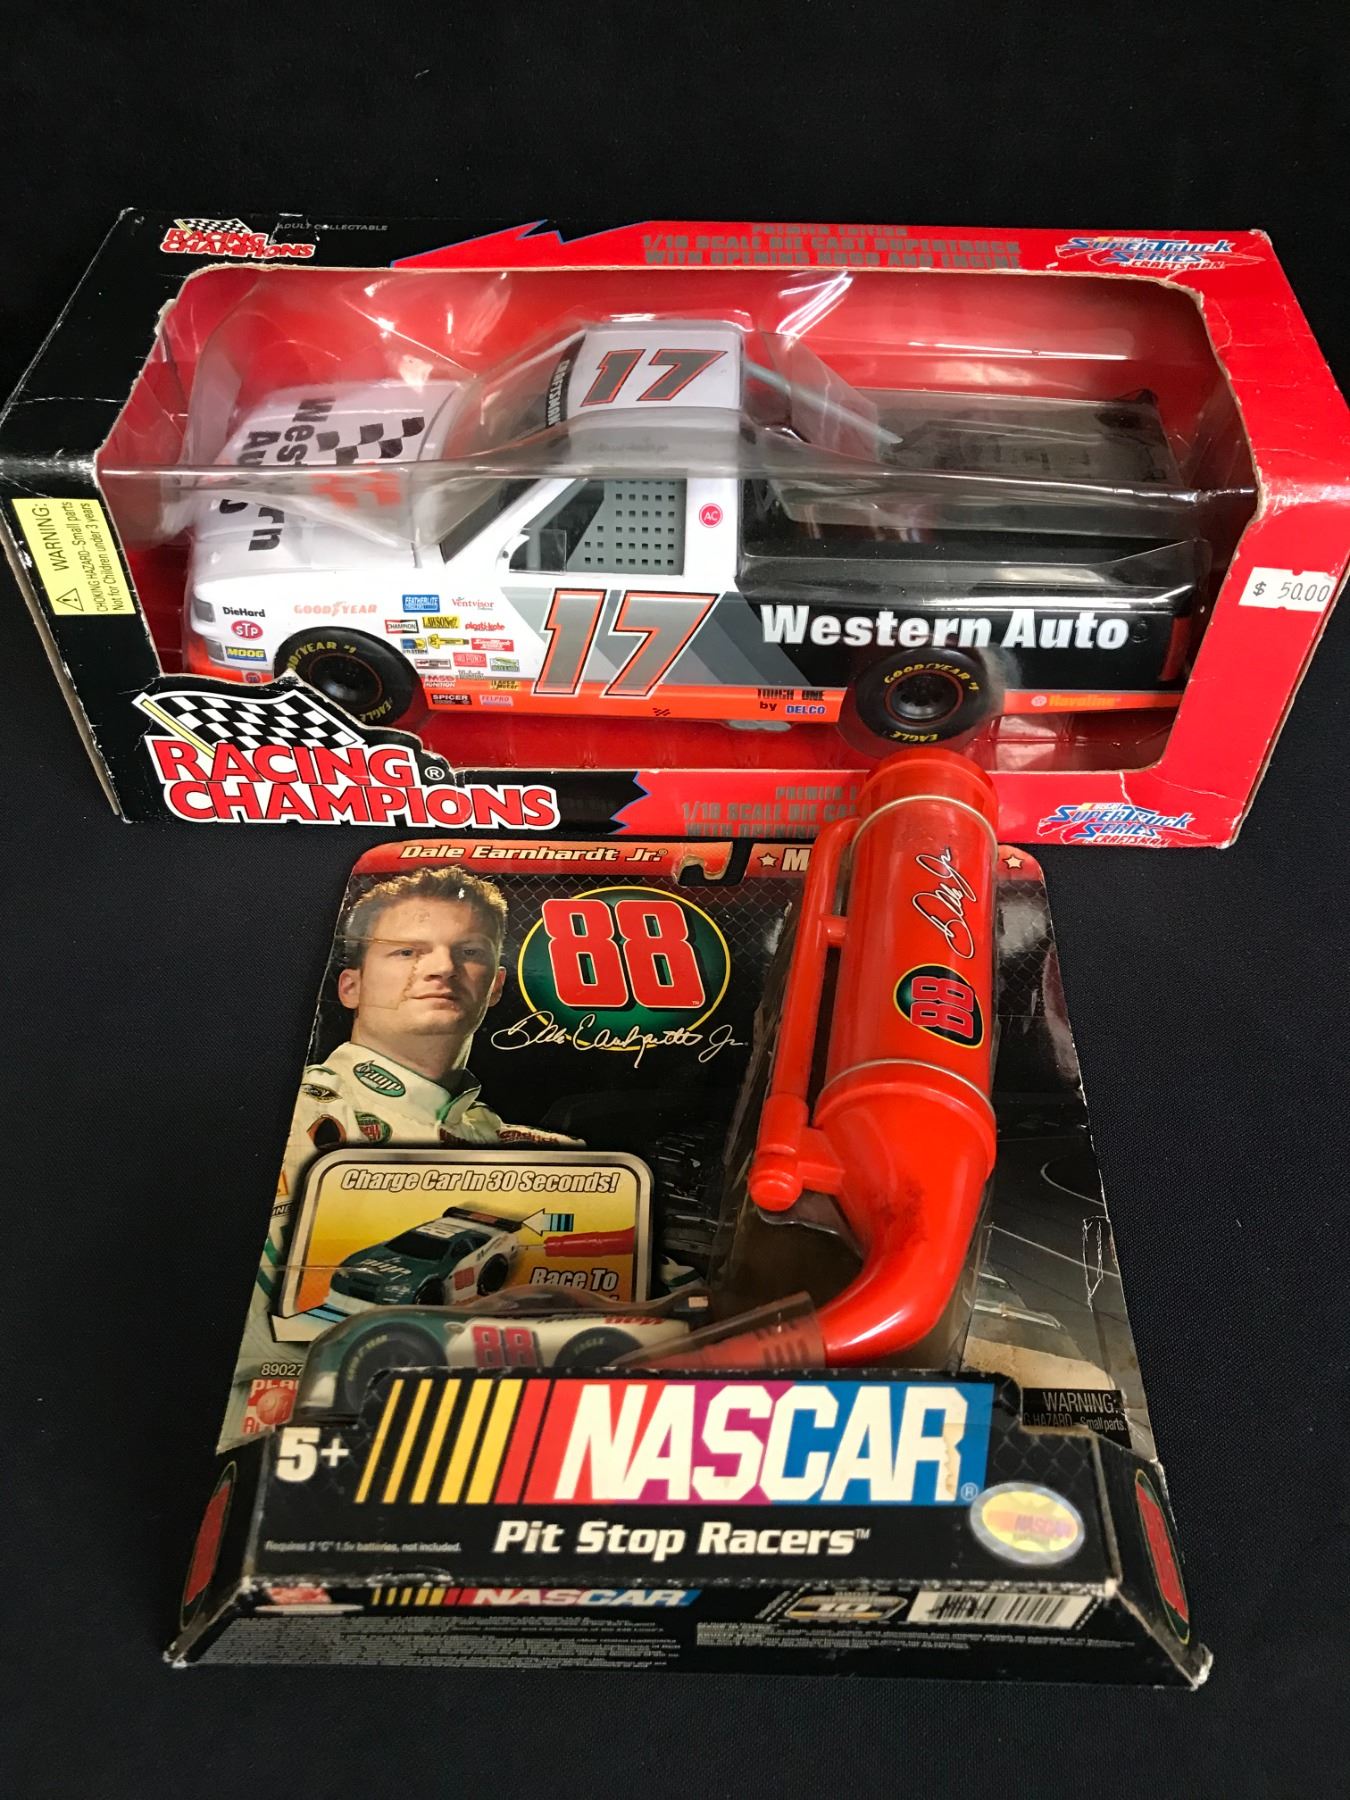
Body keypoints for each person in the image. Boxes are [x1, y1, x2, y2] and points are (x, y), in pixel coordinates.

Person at [287, 865, 572, 1154]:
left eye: (470, 952)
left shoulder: (542, 1152)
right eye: (406, 952)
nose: (444, 968)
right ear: (352, 987)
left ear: (496, 986)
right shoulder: (297, 1112)